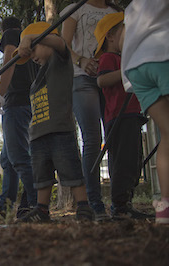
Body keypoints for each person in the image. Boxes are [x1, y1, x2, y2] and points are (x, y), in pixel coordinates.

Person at [16, 22, 93, 222]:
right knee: (42, 176)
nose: (32, 56)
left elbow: (60, 44)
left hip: (60, 130)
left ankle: (83, 207)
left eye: (34, 49)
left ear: (46, 40)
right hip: (38, 134)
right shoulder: (38, 75)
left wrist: (31, 38)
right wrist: (30, 42)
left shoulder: (60, 60)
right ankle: (42, 210)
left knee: (70, 170)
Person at [61, 0, 121, 220]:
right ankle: (94, 204)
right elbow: (64, 44)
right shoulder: (74, 10)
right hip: (82, 79)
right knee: (93, 139)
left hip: (112, 77)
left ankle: (121, 203)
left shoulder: (116, 12)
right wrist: (81, 60)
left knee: (116, 136)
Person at [94, 12, 152, 220]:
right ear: (111, 36)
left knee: (134, 162)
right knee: (123, 162)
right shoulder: (109, 58)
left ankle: (126, 201)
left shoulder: (125, 59)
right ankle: (118, 206)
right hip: (119, 117)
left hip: (133, 115)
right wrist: (126, 70)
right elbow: (102, 81)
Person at [120, 0, 169, 224]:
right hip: (162, 53)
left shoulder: (133, 6)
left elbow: (122, 40)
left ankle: (164, 210)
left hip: (136, 67)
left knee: (166, 135)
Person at [0, 16, 38, 220]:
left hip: (16, 102)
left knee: (19, 157)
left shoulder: (12, 34)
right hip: (23, 103)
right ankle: (8, 206)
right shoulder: (29, 41)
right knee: (8, 160)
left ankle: (36, 205)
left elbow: (9, 61)